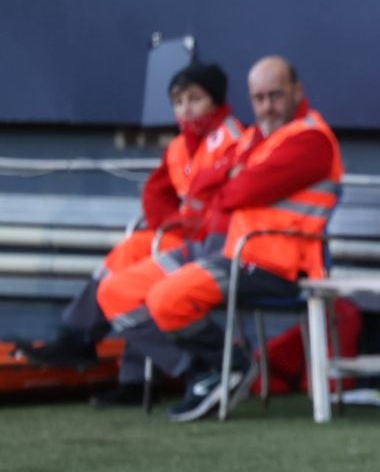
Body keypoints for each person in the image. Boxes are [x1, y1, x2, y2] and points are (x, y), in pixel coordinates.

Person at [102, 56, 343, 423]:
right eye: (258, 97)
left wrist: (231, 180)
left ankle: (228, 365)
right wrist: (228, 183)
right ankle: (203, 369)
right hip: (229, 251)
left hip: (279, 262)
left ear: (297, 91)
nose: (266, 106)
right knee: (116, 293)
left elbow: (238, 190)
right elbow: (210, 188)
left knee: (167, 298)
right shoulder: (258, 137)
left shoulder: (310, 138)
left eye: (276, 95)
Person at [14, 62, 243, 404]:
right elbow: (156, 191)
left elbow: (232, 200)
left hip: (212, 243)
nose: (185, 109)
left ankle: (97, 347)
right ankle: (95, 349)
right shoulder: (181, 146)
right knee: (129, 257)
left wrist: (184, 226)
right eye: (178, 101)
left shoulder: (232, 139)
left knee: (135, 268)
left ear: (216, 100)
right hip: (183, 235)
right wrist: (171, 221)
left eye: (195, 99)